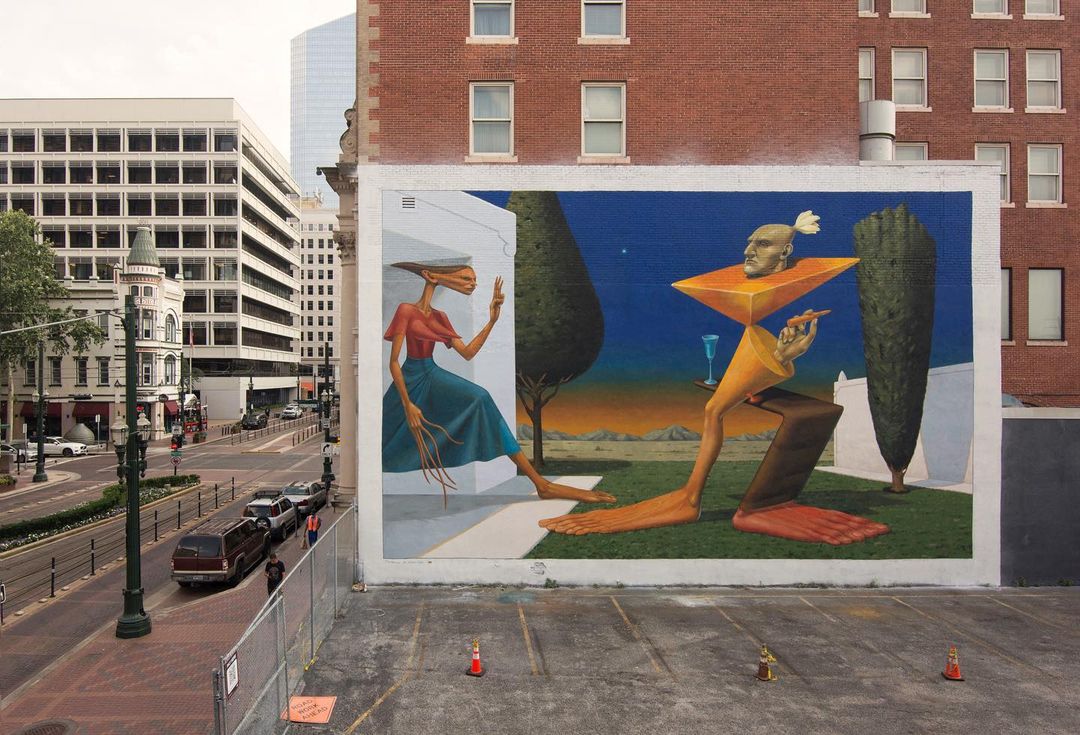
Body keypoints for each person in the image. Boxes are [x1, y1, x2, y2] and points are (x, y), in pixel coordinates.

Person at [540, 212, 890, 545]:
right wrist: (777, 357)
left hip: (763, 357)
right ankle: (690, 497)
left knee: (714, 410)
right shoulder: (750, 292)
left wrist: (779, 356)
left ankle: (691, 499)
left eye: (762, 244)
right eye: (750, 242)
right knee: (713, 410)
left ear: (786, 252)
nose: (748, 251)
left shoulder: (794, 289)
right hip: (760, 356)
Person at [382, 262, 616, 505]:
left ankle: (541, 484)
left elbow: (468, 353)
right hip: (410, 376)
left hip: (431, 372)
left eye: (473, 279)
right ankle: (541, 484)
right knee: (388, 437)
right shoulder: (406, 310)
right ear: (430, 276)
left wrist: (492, 320)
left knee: (480, 397)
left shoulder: (441, 317)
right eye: (466, 279)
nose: (472, 284)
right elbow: (394, 362)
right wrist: (408, 403)